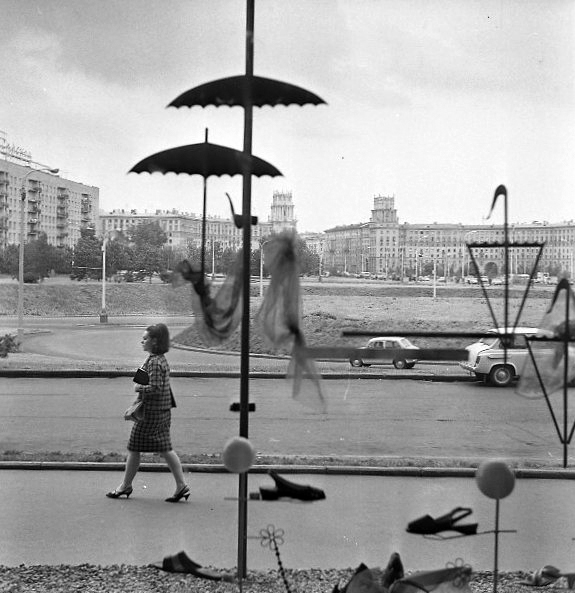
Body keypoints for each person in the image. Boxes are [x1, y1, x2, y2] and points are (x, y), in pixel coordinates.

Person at [106, 323, 189, 503]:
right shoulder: (157, 359)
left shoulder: (154, 363)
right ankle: (181, 485)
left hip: (152, 414)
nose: (141, 341)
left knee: (134, 447)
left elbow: (156, 388)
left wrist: (139, 387)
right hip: (161, 411)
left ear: (155, 341)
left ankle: (125, 486)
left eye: (145, 338)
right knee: (165, 449)